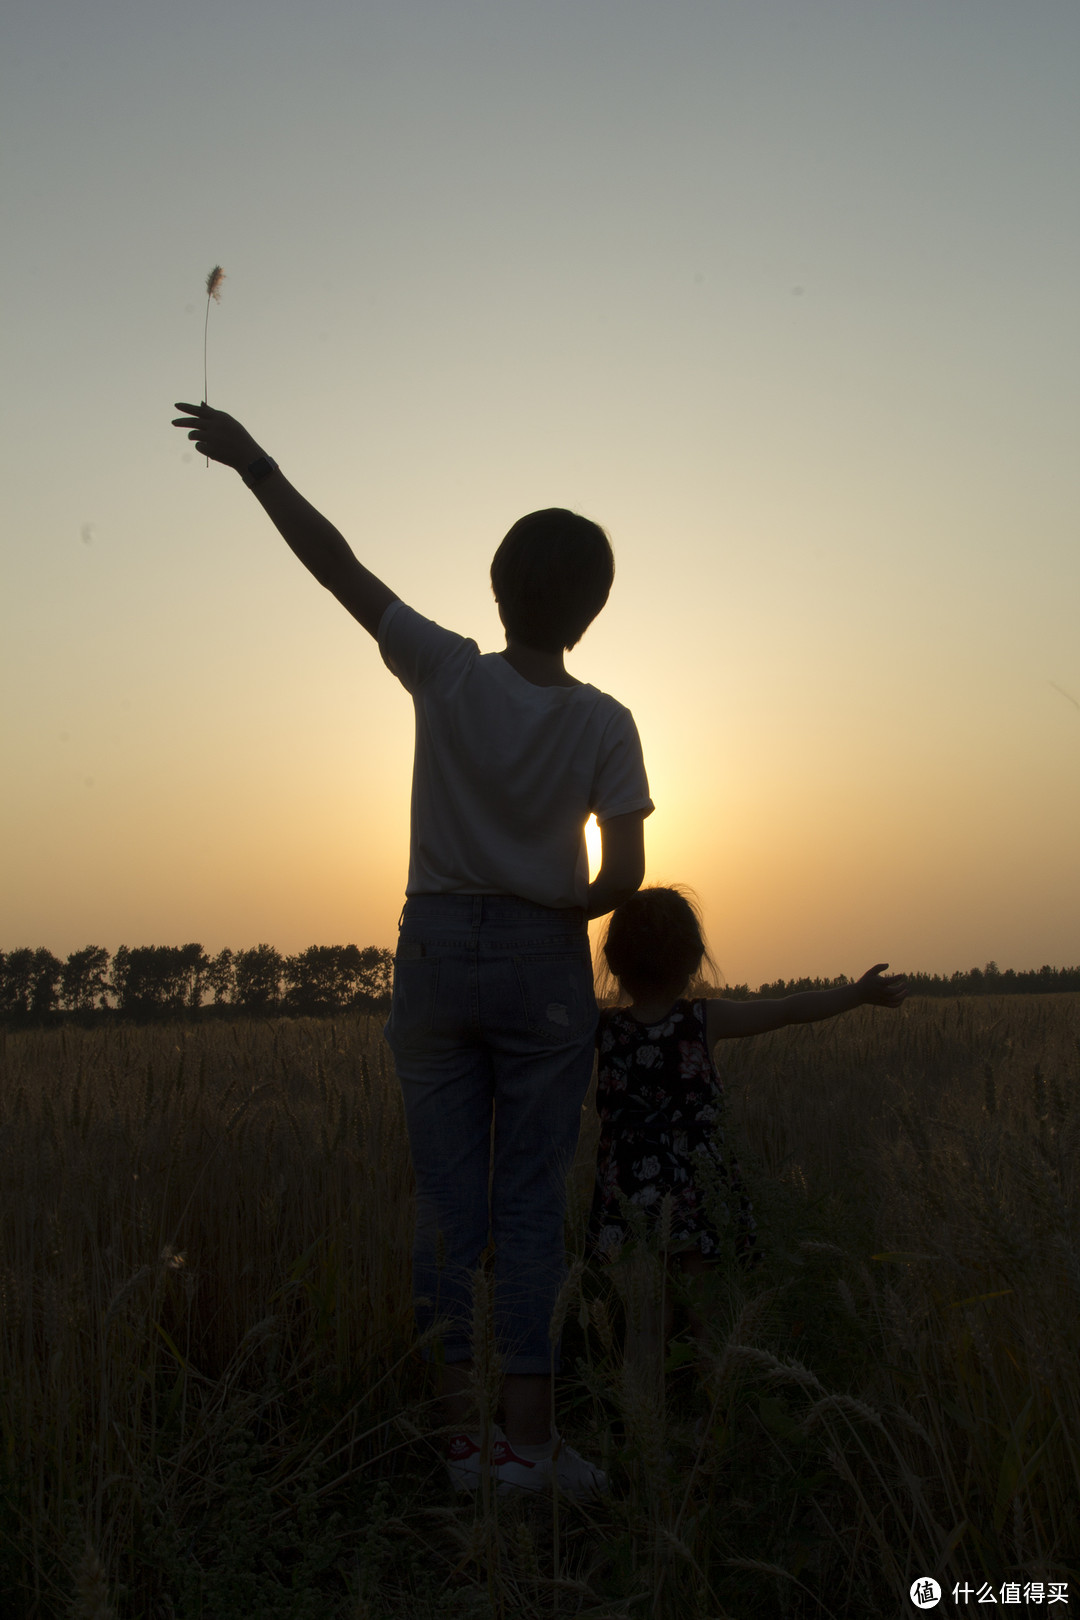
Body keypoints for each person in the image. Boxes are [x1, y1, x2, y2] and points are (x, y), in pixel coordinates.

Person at [171, 402, 653, 1497]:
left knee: (448, 1206)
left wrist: (256, 464)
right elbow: (621, 881)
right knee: (530, 1203)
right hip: (543, 962)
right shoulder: (608, 722)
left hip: (431, 948)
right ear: (595, 607)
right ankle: (529, 1450)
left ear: (495, 589)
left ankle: (459, 1445)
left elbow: (336, 565)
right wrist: (551, 909)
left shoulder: (446, 670)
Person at [590, 886, 907, 1367]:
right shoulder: (702, 1019)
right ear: (694, 959)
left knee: (645, 1322)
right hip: (699, 1184)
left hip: (627, 1191)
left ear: (613, 961)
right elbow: (787, 1009)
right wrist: (857, 994)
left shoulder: (602, 1029)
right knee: (709, 1315)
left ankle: (645, 1427)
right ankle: (712, 1426)